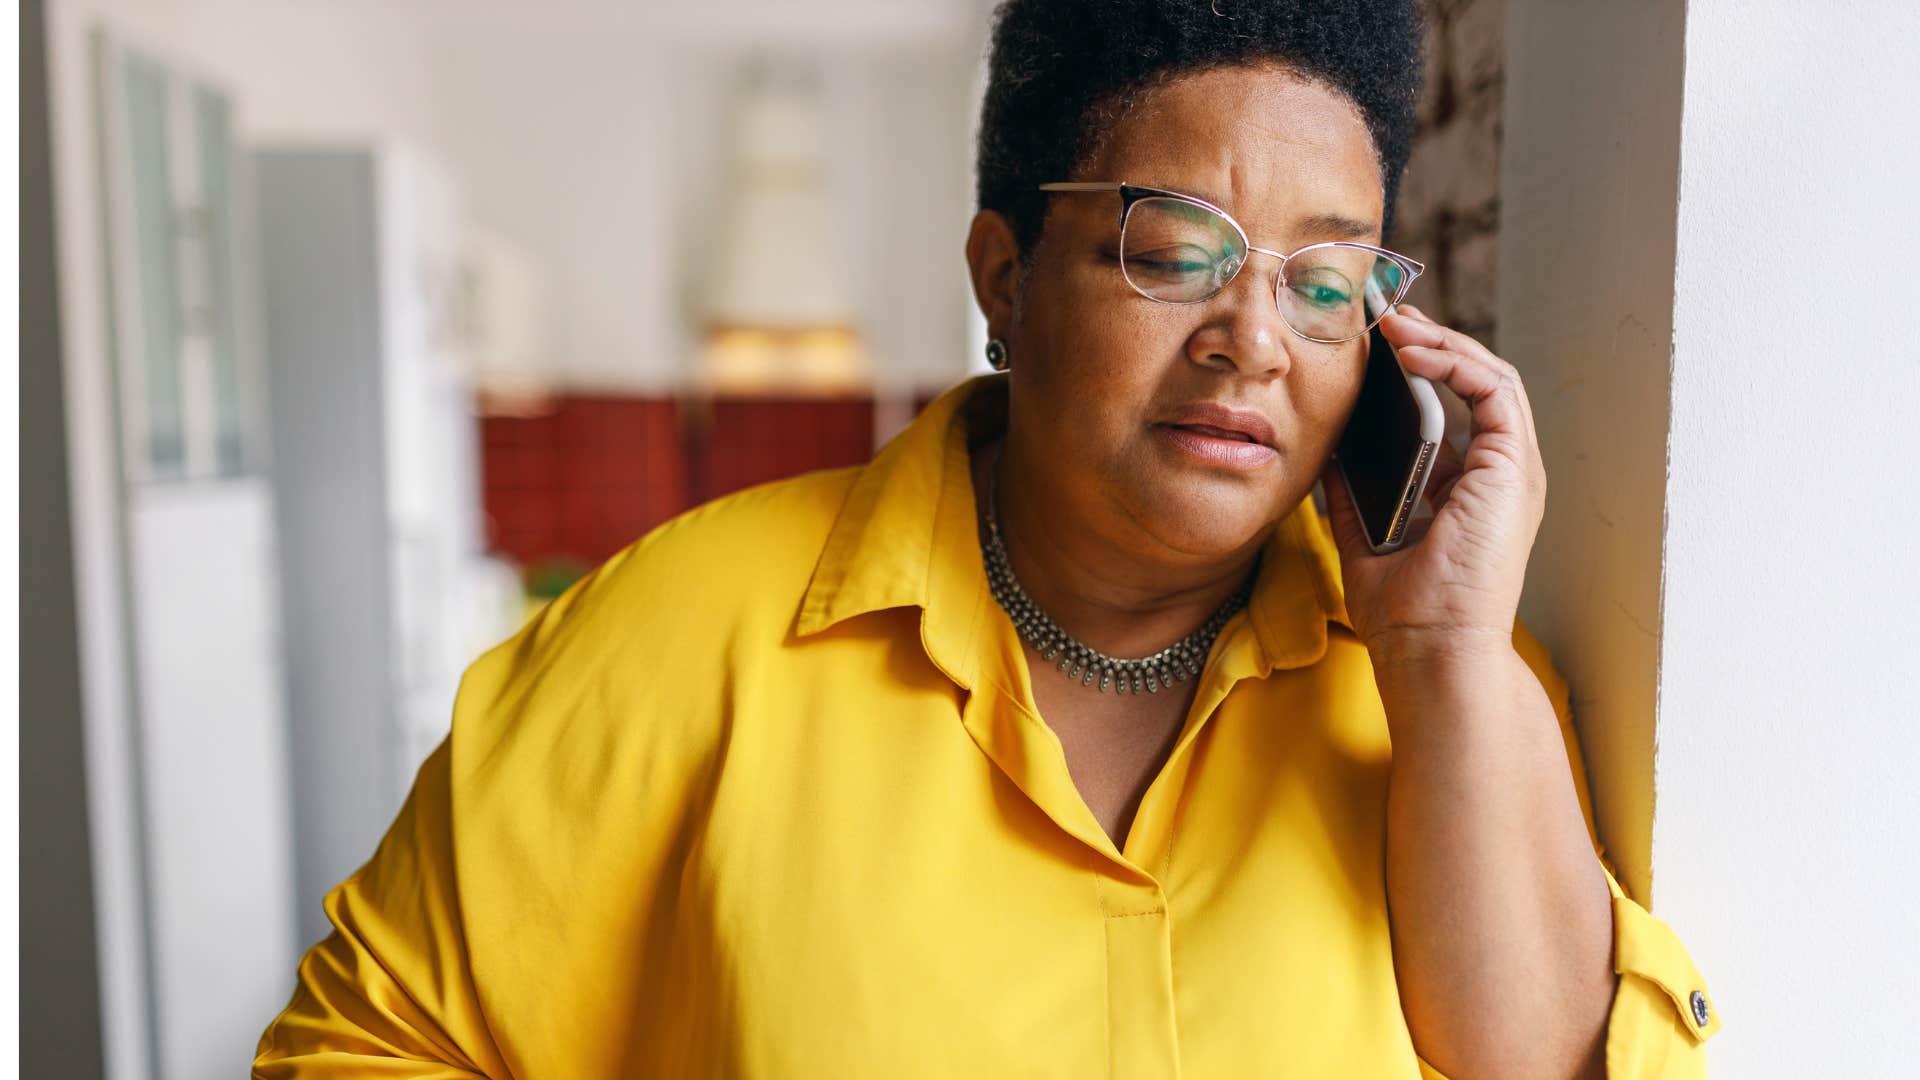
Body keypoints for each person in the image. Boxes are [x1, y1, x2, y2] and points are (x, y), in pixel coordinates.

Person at [254, 1, 1721, 1076]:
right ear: (1006, 280)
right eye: (1172, 250)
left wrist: (1442, 654)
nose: (1253, 342)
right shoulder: (682, 634)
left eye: (1325, 281)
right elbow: (364, 1046)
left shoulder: (1447, 689)